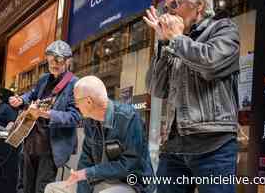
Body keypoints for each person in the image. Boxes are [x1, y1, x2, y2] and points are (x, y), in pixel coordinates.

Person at [144, 0, 239, 193]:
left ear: (199, 4)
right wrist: (162, 45)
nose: (169, 13)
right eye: (166, 7)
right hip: (174, 146)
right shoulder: (176, 43)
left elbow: (211, 64)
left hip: (213, 144)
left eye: (174, 4)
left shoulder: (224, 30)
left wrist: (176, 39)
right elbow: (156, 88)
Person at [44, 76, 155, 193]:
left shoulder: (129, 118)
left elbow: (130, 165)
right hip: (100, 180)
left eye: (76, 102)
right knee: (52, 189)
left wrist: (90, 173)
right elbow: (85, 161)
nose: (76, 106)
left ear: (89, 102)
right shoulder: (90, 121)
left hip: (132, 183)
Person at [9, 40, 81, 193]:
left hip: (50, 147)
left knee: (42, 188)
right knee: (25, 186)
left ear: (68, 61)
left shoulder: (75, 84)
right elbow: (32, 94)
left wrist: (47, 114)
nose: (53, 65)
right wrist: (21, 99)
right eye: (50, 62)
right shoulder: (44, 79)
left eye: (58, 62)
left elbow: (75, 117)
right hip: (31, 142)